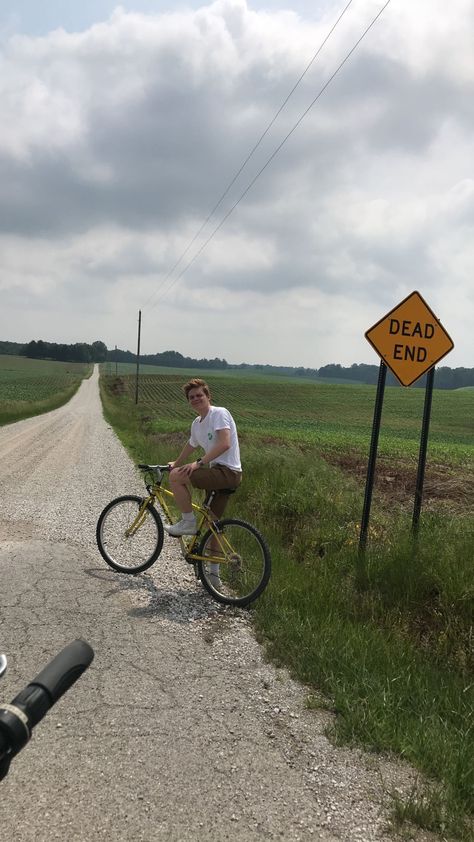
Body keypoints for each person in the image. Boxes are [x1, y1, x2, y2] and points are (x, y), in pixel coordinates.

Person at [164, 378, 242, 539]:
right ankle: (216, 564)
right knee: (212, 525)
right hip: (218, 473)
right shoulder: (196, 423)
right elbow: (191, 445)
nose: (195, 399)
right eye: (191, 397)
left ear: (208, 396)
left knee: (176, 477)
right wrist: (176, 463)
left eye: (199, 395)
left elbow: (224, 444)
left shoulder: (219, 413)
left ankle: (188, 522)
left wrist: (197, 463)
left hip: (228, 472)